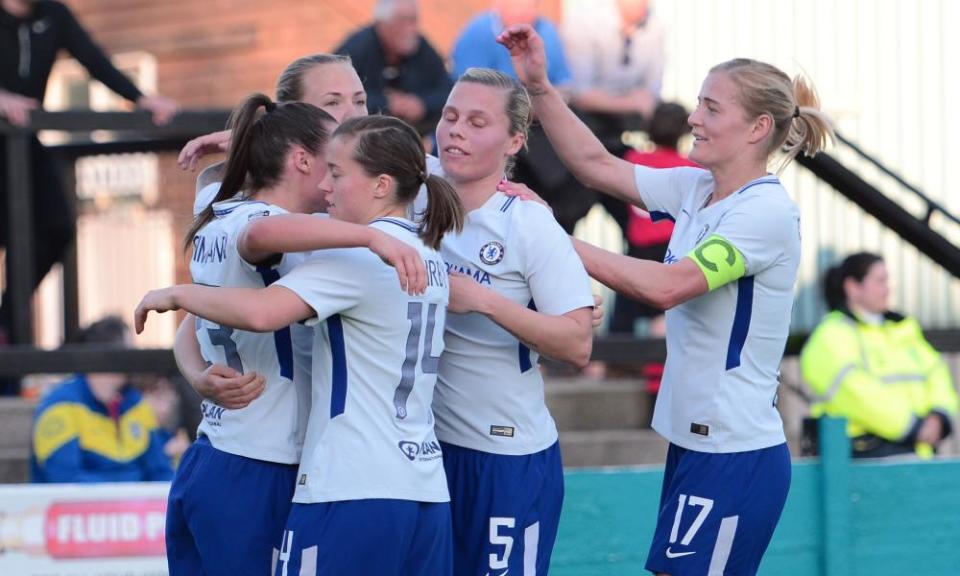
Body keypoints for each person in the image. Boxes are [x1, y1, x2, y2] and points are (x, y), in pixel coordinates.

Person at [497, 25, 833, 575]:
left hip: (735, 454)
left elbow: (665, 287)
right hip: (696, 445)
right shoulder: (697, 187)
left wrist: (544, 234)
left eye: (711, 107)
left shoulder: (765, 212)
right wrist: (538, 85)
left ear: (758, 128)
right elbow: (595, 166)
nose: (694, 118)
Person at [136, 114, 465, 575]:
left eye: (338, 171)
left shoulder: (348, 250)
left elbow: (258, 309)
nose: (329, 185)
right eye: (326, 169)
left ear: (380, 184)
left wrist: (174, 294)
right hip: (423, 486)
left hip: (336, 481)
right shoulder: (426, 250)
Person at [432, 67, 595, 575]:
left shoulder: (527, 222)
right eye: (450, 116)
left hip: (503, 457)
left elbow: (577, 343)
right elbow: (333, 143)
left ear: (515, 141)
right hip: (424, 451)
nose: (456, 130)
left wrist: (484, 300)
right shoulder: (412, 192)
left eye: (477, 122)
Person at [0, 0, 178, 356]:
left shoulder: (53, 14)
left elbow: (94, 60)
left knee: (56, 227)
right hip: (8, 138)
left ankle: (6, 326)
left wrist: (141, 98)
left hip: (23, 145)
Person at [801, 252, 958, 458]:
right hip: (862, 459)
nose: (887, 289)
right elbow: (855, 390)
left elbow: (937, 372)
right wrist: (914, 427)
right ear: (852, 287)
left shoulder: (903, 330)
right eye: (880, 281)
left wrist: (938, 417)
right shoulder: (832, 334)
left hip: (916, 454)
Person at [30, 316, 173, 483]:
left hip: (136, 506)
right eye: (130, 351)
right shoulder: (59, 408)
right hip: (79, 507)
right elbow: (65, 482)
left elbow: (161, 471)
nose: (135, 358)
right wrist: (127, 497)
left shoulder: (136, 404)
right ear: (111, 356)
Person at [334, 0, 451, 134]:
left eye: (413, 21)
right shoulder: (358, 49)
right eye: (402, 21)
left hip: (412, 135)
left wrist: (422, 104)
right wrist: (386, 102)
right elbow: (335, 95)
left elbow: (448, 90)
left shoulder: (421, 48)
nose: (410, 29)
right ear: (382, 24)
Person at [563, 0, 665, 150]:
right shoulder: (584, 22)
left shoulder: (655, 25)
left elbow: (651, 91)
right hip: (588, 121)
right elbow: (580, 95)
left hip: (631, 120)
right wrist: (631, 102)